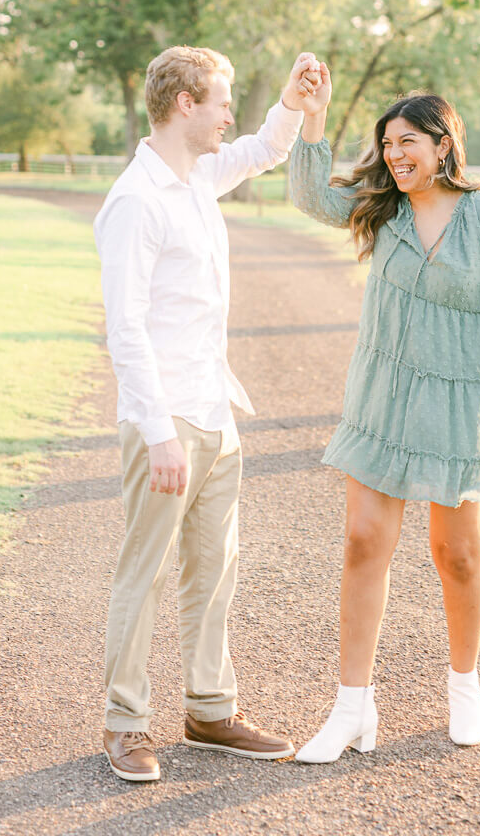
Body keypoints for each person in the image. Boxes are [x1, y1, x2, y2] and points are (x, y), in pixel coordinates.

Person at [288, 63, 480, 762]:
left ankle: (464, 686)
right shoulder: (384, 204)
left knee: (456, 554)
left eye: (409, 143)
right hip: (383, 394)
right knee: (364, 542)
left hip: (462, 401)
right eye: (389, 144)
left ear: (443, 144)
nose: (397, 155)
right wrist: (315, 114)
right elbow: (311, 195)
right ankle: (351, 710)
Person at [93, 45, 318, 781]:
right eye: (220, 101)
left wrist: (291, 99)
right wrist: (158, 432)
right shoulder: (136, 201)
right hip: (167, 424)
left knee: (215, 571)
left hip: (216, 413)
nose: (229, 113)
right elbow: (124, 329)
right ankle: (125, 725)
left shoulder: (195, 178)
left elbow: (261, 150)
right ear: (184, 104)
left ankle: (210, 711)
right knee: (145, 572)